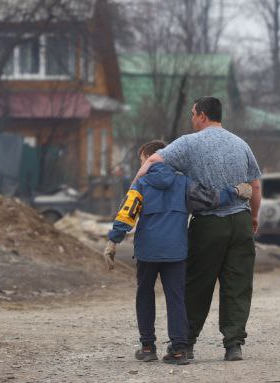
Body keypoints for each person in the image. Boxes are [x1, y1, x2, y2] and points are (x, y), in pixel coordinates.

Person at [104, 139, 251, 365]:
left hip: (147, 251)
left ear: (152, 158)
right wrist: (236, 191)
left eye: (143, 161)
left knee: (145, 295)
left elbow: (128, 213)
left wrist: (113, 241)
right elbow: (211, 199)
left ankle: (147, 346)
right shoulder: (183, 184)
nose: (142, 166)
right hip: (176, 252)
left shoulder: (141, 184)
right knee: (176, 298)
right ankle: (180, 350)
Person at [140, 97, 261, 362]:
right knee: (237, 284)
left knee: (196, 284)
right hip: (240, 220)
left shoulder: (189, 142)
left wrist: (135, 187)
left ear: (203, 116)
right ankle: (233, 345)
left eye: (193, 114)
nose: (192, 118)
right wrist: (253, 216)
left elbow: (154, 161)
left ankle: (185, 344)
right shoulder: (241, 144)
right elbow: (255, 185)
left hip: (208, 223)